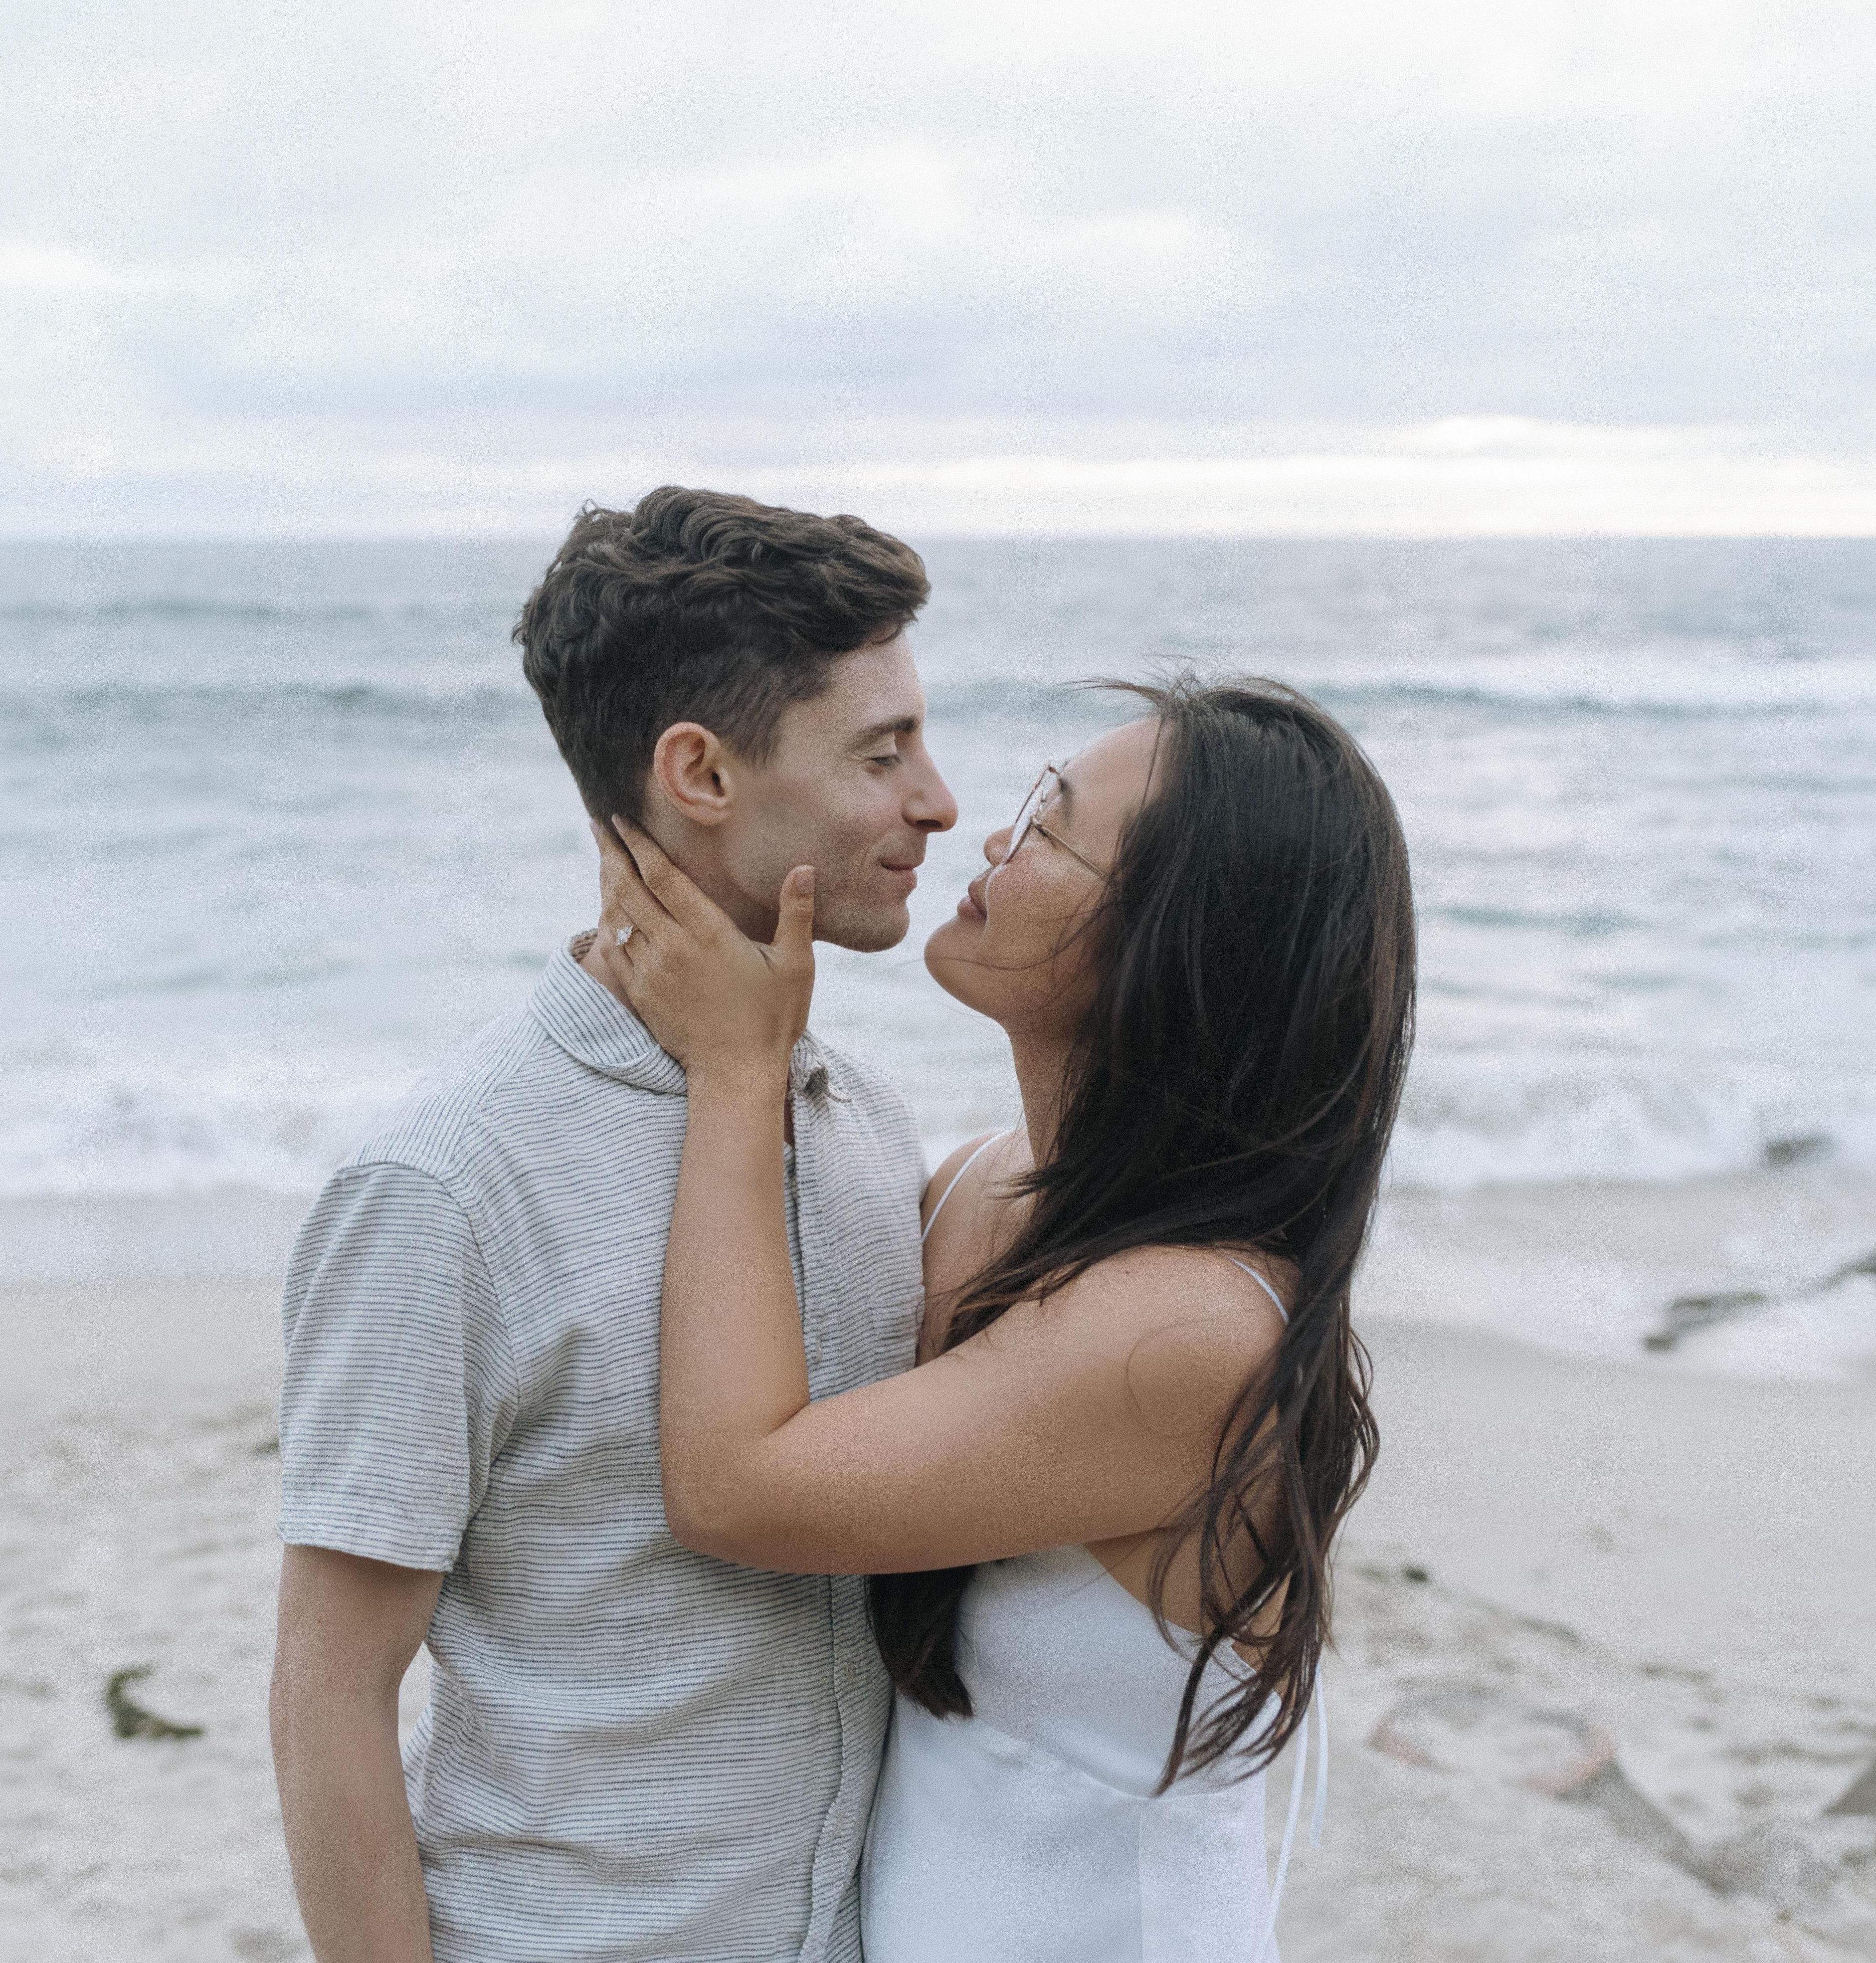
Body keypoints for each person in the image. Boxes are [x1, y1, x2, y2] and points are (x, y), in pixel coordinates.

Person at [593, 673, 1416, 1963]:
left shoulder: (1188, 1330)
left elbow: (738, 1486)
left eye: (1051, 824)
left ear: (1172, 939)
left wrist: (739, 1071)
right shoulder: (981, 1187)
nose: (992, 836)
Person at [268, 487, 957, 1963]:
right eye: (883, 753)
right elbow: (331, 1684)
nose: (939, 803)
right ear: (700, 772)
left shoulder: (871, 1132)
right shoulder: (446, 1186)